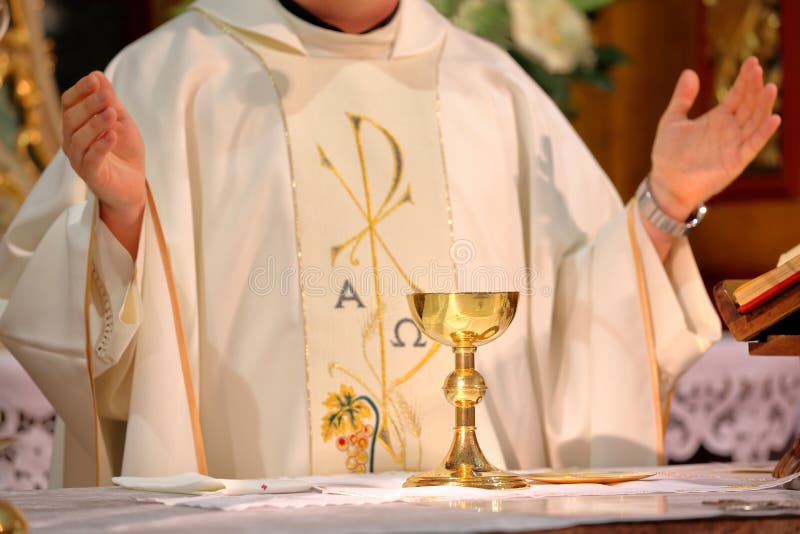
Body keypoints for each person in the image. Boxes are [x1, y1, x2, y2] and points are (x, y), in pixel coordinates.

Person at [0, 0, 779, 486]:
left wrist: (665, 203)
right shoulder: (173, 78)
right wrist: (126, 216)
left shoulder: (491, 87)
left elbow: (578, 317)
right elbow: (79, 343)